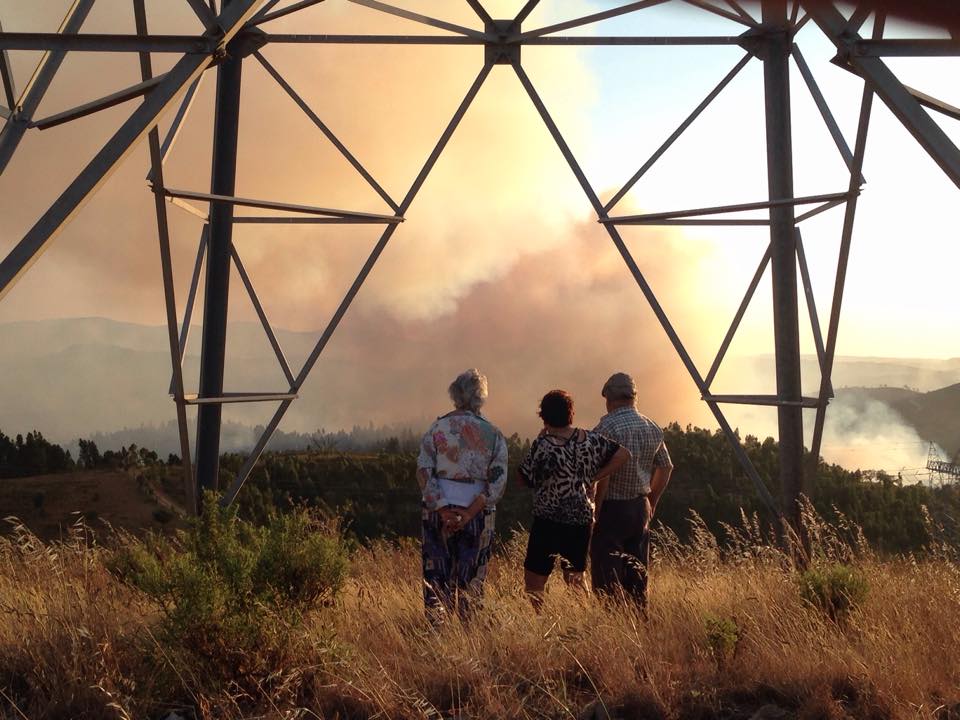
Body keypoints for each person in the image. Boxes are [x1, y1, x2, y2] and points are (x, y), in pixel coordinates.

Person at [518, 389, 629, 610]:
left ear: (545, 416)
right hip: (581, 518)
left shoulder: (544, 445)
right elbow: (623, 454)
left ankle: (539, 620)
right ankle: (584, 619)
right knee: (576, 576)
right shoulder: (591, 440)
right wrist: (594, 476)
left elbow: (524, 478)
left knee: (535, 579)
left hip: (548, 519)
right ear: (570, 413)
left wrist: (541, 440)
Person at [416, 369, 508, 623]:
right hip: (477, 513)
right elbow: (498, 481)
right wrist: (469, 513)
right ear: (481, 397)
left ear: (455, 394)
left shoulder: (437, 427)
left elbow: (423, 470)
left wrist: (443, 509)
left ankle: (438, 632)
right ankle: (469, 634)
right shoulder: (493, 434)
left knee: (436, 574)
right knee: (472, 578)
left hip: (437, 512)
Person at [591, 372, 673, 607]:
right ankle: (638, 621)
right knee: (637, 574)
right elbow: (666, 467)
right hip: (639, 508)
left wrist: (595, 512)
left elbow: (601, 475)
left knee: (607, 576)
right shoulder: (652, 427)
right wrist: (652, 500)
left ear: (610, 398)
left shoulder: (605, 428)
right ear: (633, 397)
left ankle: (613, 625)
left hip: (611, 509)